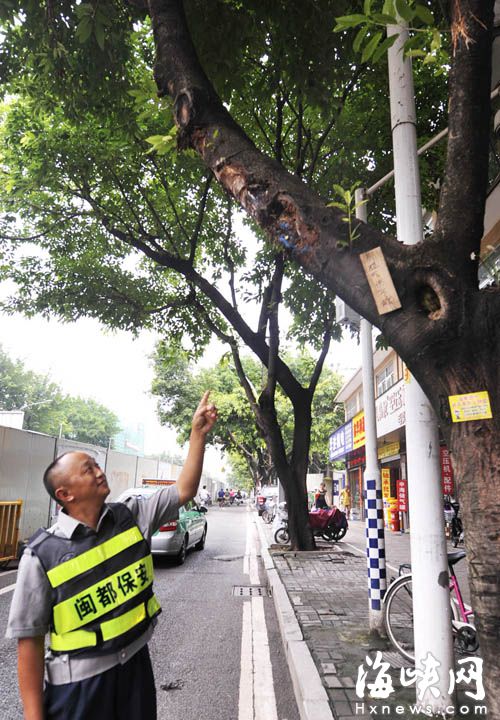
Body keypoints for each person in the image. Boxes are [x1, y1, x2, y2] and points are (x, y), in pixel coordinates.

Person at [6, 391, 217, 720]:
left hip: (135, 666)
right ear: (65, 494)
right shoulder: (41, 555)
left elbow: (184, 490)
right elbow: (29, 641)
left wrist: (198, 434)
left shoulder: (132, 515)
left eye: (95, 465)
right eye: (87, 469)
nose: (98, 471)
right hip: (78, 687)